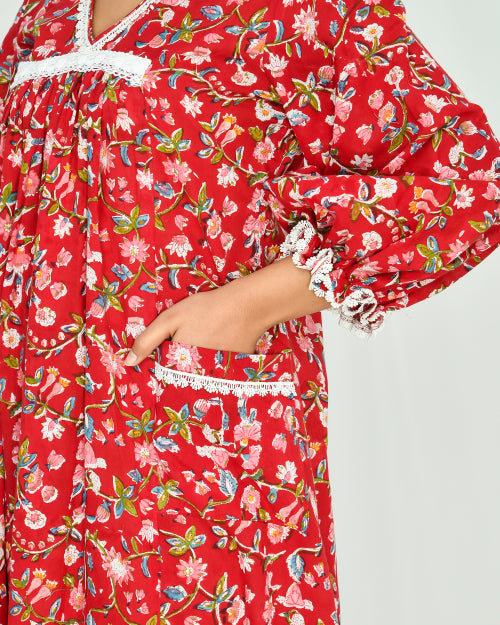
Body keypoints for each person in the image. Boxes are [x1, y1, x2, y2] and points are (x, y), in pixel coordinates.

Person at [0, 0, 498, 623]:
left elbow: (469, 183)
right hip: (34, 442)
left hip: (196, 443)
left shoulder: (299, 10)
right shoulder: (41, 19)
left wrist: (246, 307)